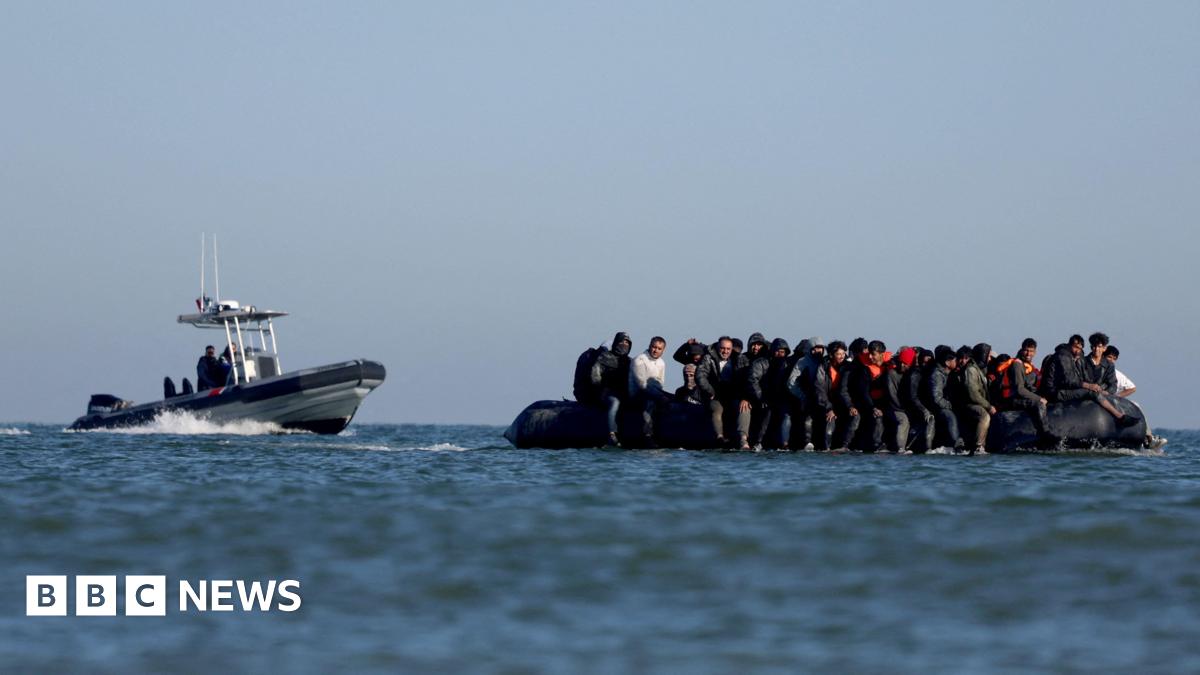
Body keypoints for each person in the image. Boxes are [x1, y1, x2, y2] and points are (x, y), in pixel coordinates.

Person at [1041, 335, 1138, 427]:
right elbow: (1073, 380)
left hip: (1101, 394)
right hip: (1080, 393)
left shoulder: (1109, 365)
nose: (1096, 349)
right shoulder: (1079, 361)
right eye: (1094, 346)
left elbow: (1113, 384)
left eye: (1099, 347)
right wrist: (1090, 386)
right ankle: (1119, 417)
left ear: (1104, 348)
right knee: (1090, 394)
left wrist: (1105, 391)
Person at [992, 338, 1057, 447]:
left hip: (1020, 397)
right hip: (1011, 400)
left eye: (1031, 351)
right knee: (1039, 404)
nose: (1028, 353)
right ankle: (1045, 434)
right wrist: (1038, 399)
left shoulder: (1029, 366)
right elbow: (1019, 389)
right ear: (1022, 350)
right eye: (1026, 350)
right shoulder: (1017, 365)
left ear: (1035, 352)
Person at [696, 336, 749, 446]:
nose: (725, 351)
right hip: (714, 396)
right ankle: (720, 437)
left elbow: (747, 379)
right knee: (717, 409)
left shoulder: (739, 359)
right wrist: (710, 391)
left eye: (728, 349)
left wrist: (745, 397)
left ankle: (743, 439)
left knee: (744, 407)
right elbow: (700, 376)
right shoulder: (708, 358)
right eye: (722, 348)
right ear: (718, 347)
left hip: (733, 395)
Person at [591, 332, 634, 446]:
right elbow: (595, 377)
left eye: (626, 342)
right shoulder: (604, 357)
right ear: (616, 342)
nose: (624, 344)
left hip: (624, 393)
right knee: (615, 402)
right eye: (621, 341)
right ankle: (611, 434)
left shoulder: (629, 361)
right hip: (607, 392)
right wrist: (602, 388)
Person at [629, 336, 672, 447]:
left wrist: (662, 396)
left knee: (673, 399)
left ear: (663, 350)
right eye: (654, 347)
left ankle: (665, 434)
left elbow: (660, 384)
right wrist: (660, 396)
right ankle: (647, 435)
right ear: (649, 346)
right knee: (650, 401)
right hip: (637, 394)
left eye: (659, 348)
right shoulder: (639, 360)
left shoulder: (661, 363)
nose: (655, 350)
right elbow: (642, 384)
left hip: (654, 392)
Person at [847, 340, 889, 452]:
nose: (870, 357)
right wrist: (873, 408)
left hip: (886, 403)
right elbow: (864, 392)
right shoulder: (864, 369)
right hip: (867, 404)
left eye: (873, 354)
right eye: (869, 353)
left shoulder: (890, 366)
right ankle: (876, 445)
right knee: (876, 417)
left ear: (882, 354)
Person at [785, 337, 824, 450]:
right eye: (815, 348)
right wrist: (802, 396)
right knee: (806, 416)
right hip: (806, 397)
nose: (818, 351)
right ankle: (807, 442)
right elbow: (791, 382)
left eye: (820, 348)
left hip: (822, 397)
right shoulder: (802, 362)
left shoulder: (825, 361)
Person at [922, 345, 963, 451]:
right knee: (949, 415)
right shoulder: (937, 375)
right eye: (954, 360)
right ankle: (957, 442)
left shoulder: (949, 374)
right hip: (935, 408)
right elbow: (936, 398)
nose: (957, 362)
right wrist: (950, 405)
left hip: (942, 404)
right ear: (947, 362)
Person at [957, 343, 995, 455]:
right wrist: (988, 406)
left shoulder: (979, 369)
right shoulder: (971, 370)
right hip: (968, 404)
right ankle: (979, 446)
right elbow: (973, 393)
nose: (990, 358)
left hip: (975, 403)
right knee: (984, 415)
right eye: (988, 355)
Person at [738, 333, 771, 450]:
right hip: (746, 396)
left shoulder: (767, 359)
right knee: (744, 408)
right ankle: (743, 440)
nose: (756, 347)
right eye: (753, 344)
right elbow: (739, 381)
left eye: (759, 345)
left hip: (763, 396)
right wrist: (744, 397)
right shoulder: (742, 359)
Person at [899, 347, 933, 452]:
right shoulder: (915, 374)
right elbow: (913, 396)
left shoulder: (924, 373)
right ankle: (927, 448)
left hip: (917, 406)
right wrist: (924, 410)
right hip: (913, 407)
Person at [883, 347, 915, 453]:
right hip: (893, 407)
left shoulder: (912, 375)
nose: (902, 365)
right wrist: (903, 409)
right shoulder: (891, 373)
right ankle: (900, 448)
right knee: (904, 420)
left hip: (906, 407)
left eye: (905, 363)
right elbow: (891, 395)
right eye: (901, 362)